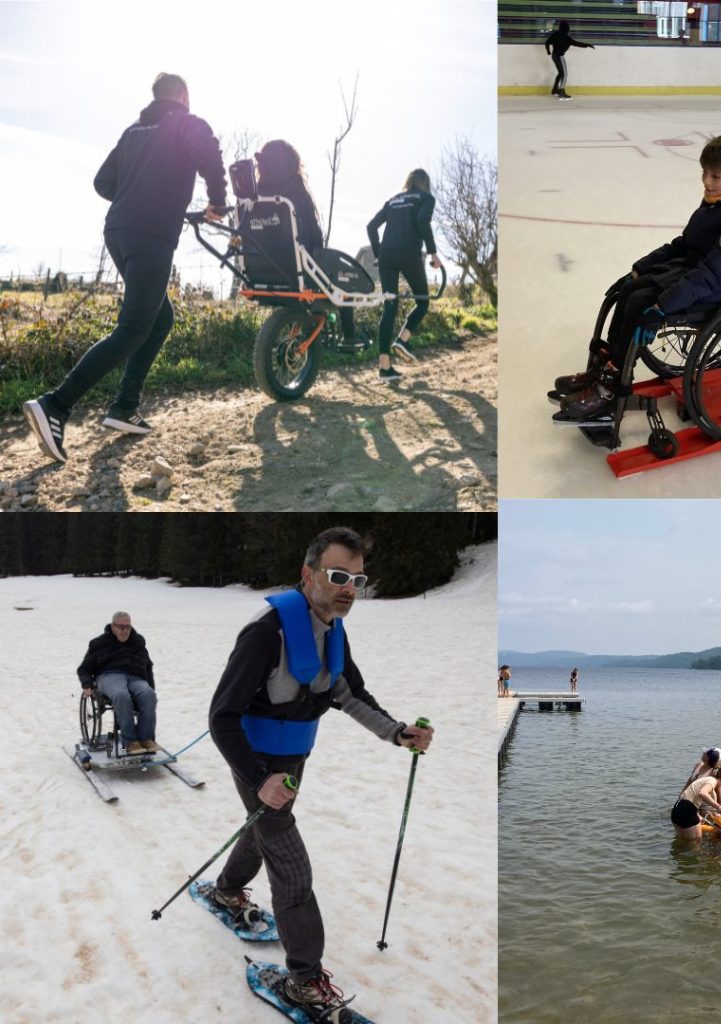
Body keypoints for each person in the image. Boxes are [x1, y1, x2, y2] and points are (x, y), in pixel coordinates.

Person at [208, 526, 434, 1024]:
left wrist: (397, 732)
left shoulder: (333, 627)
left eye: (357, 578)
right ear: (307, 574)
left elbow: (349, 692)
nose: (348, 587)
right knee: (291, 865)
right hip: (255, 761)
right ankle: (305, 980)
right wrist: (258, 775)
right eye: (337, 575)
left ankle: (226, 887)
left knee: (262, 830)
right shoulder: (266, 631)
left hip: (292, 761)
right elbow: (221, 716)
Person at [22, 73, 227, 464]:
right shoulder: (188, 122)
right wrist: (217, 200)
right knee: (133, 327)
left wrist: (138, 196)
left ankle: (124, 407)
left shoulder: (133, 131)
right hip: (150, 235)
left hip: (118, 231)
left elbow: (103, 181)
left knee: (160, 318)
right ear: (183, 95)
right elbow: (209, 155)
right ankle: (56, 405)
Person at [552, 131, 721, 421]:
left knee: (642, 303)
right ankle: (605, 370)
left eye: (715, 176)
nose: (707, 182)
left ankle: (611, 392)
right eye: (705, 173)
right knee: (631, 290)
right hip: (699, 270)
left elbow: (713, 274)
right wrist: (641, 267)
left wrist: (663, 307)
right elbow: (686, 244)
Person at [253, 140, 365, 348]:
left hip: (260, 271)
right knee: (343, 276)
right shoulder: (296, 191)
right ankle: (349, 335)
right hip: (298, 270)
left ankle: (312, 322)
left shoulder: (254, 195)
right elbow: (314, 233)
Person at [366, 170, 443, 382]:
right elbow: (422, 221)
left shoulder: (393, 200)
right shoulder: (426, 198)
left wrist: (377, 254)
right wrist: (432, 252)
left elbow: (371, 226)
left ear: (408, 182)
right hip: (409, 253)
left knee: (389, 307)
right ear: (425, 183)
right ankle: (402, 339)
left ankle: (384, 368)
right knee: (423, 301)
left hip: (387, 256)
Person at [77, 611, 158, 755]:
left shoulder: (138, 641)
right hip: (108, 676)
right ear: (113, 626)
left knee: (149, 694)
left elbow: (148, 666)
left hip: (135, 676)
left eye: (128, 627)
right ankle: (130, 741)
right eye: (121, 627)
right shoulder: (99, 643)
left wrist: (150, 685)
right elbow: (84, 668)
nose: (125, 631)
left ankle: (146, 738)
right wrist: (87, 683)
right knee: (121, 695)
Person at [671, 764, 721, 840]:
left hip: (676, 810)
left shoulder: (705, 780)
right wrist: (718, 807)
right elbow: (702, 793)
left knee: (681, 841)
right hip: (687, 811)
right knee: (696, 843)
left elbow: (688, 799)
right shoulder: (712, 781)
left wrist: (698, 816)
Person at [544, 20, 595, 101]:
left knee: (560, 73)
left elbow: (547, 42)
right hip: (559, 57)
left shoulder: (555, 34)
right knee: (565, 74)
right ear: (567, 28)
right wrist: (587, 45)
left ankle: (555, 90)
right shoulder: (566, 38)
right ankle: (561, 92)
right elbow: (577, 43)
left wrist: (548, 50)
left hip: (554, 56)